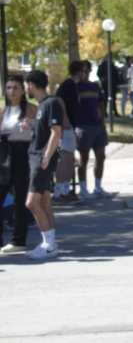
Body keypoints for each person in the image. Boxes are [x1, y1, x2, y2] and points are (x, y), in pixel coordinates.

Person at [22, 70, 64, 260]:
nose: (25, 90)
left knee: (31, 203)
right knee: (45, 201)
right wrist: (31, 126)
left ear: (31, 85)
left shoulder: (51, 103)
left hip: (42, 160)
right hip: (37, 157)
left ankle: (49, 244)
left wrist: (46, 157)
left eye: (24, 85)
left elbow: (56, 132)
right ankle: (49, 243)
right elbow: (46, 131)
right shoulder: (41, 106)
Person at [0, 75, 37, 255]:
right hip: (6, 153)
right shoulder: (3, 112)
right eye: (8, 88)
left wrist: (31, 127)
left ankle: (18, 239)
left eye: (15, 88)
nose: (11, 91)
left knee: (20, 198)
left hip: (23, 152)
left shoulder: (30, 109)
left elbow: (43, 130)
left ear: (23, 90)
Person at [75, 62, 110, 198]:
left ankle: (98, 186)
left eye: (87, 71)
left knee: (100, 156)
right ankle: (83, 189)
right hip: (83, 125)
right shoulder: (75, 87)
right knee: (84, 157)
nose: (85, 74)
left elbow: (101, 104)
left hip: (98, 126)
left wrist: (102, 121)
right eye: (83, 71)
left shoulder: (95, 86)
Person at [52, 61, 82, 204]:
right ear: (80, 72)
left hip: (72, 126)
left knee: (70, 159)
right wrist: (64, 117)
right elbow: (58, 98)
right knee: (64, 158)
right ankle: (58, 193)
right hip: (66, 126)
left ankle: (66, 190)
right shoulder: (68, 85)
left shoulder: (73, 86)